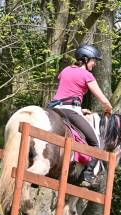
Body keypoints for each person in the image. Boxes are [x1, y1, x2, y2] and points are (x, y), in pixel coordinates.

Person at [47, 44, 113, 188]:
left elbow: (67, 93)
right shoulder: (87, 75)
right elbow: (103, 100)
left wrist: (80, 109)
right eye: (93, 60)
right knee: (97, 143)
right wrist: (108, 108)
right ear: (85, 59)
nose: (94, 63)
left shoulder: (65, 70)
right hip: (70, 111)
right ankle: (87, 175)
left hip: (55, 108)